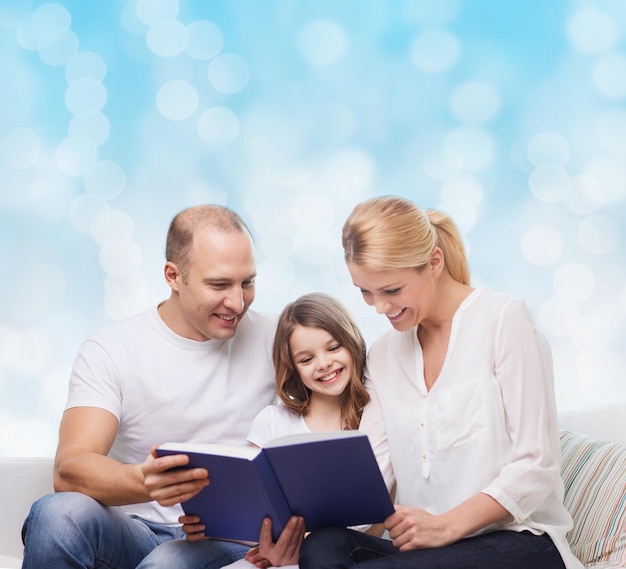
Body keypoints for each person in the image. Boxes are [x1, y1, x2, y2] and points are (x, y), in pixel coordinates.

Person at [299, 196, 584, 569]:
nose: (379, 307)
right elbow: (373, 472)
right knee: (324, 546)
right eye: (365, 292)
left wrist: (446, 525)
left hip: (521, 542)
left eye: (392, 290)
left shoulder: (504, 320)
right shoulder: (384, 355)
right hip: (429, 553)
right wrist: (295, 531)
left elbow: (536, 466)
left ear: (434, 263)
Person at [21, 204, 282, 569]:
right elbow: (70, 468)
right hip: (135, 530)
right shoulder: (113, 348)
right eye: (219, 284)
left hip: (230, 539)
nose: (237, 302)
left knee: (165, 564)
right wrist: (143, 481)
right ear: (173, 276)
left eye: (247, 282)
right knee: (57, 515)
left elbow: (338, 412)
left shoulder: (279, 339)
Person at [153, 293, 395, 569]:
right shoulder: (273, 422)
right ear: (292, 368)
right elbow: (254, 509)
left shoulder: (375, 418)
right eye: (306, 359)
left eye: (333, 347)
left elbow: (376, 519)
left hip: (344, 555)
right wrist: (209, 526)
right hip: (276, 555)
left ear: (352, 342)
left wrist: (305, 545)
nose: (324, 364)